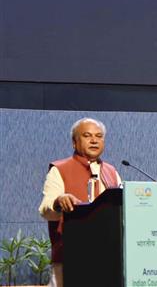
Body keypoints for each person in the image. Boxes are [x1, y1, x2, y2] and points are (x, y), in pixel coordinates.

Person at [38, 117, 122, 287]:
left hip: (108, 258)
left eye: (99, 136)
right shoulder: (59, 169)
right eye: (87, 135)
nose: (94, 140)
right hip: (70, 257)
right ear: (74, 143)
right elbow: (45, 210)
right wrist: (58, 201)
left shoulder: (111, 172)